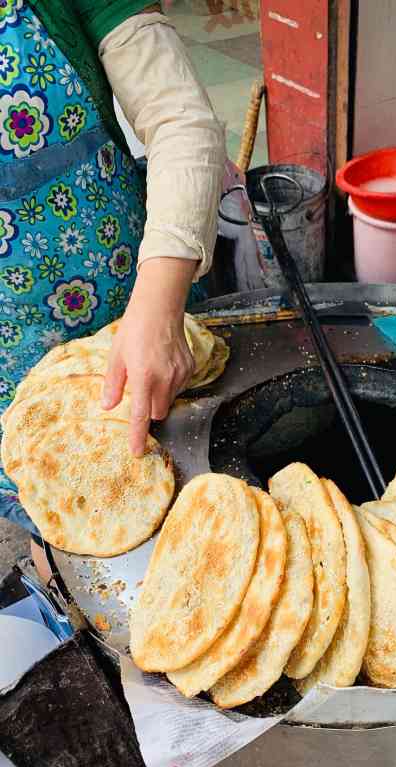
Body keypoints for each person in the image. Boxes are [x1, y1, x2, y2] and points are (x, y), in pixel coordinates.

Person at [0, 1, 226, 539]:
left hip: (146, 306)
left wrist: (157, 307)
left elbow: (179, 120)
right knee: (63, 528)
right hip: (11, 371)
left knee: (199, 509)